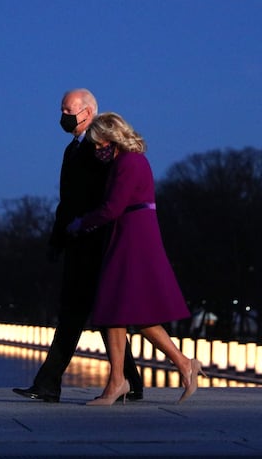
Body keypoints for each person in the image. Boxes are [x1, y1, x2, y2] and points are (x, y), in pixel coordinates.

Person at [12, 89, 144, 403]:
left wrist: (77, 231)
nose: (63, 114)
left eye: (67, 109)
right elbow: (67, 202)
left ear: (88, 112)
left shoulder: (99, 149)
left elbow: (102, 200)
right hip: (80, 240)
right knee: (97, 315)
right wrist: (58, 238)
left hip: (94, 242)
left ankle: (48, 383)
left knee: (75, 313)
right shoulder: (74, 149)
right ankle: (132, 381)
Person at [66, 112, 203, 405]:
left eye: (98, 143)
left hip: (133, 238)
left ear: (109, 139)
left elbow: (113, 207)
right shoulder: (128, 161)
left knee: (126, 311)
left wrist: (81, 223)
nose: (96, 149)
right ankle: (139, 375)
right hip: (131, 234)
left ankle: (128, 378)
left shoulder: (128, 163)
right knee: (120, 311)